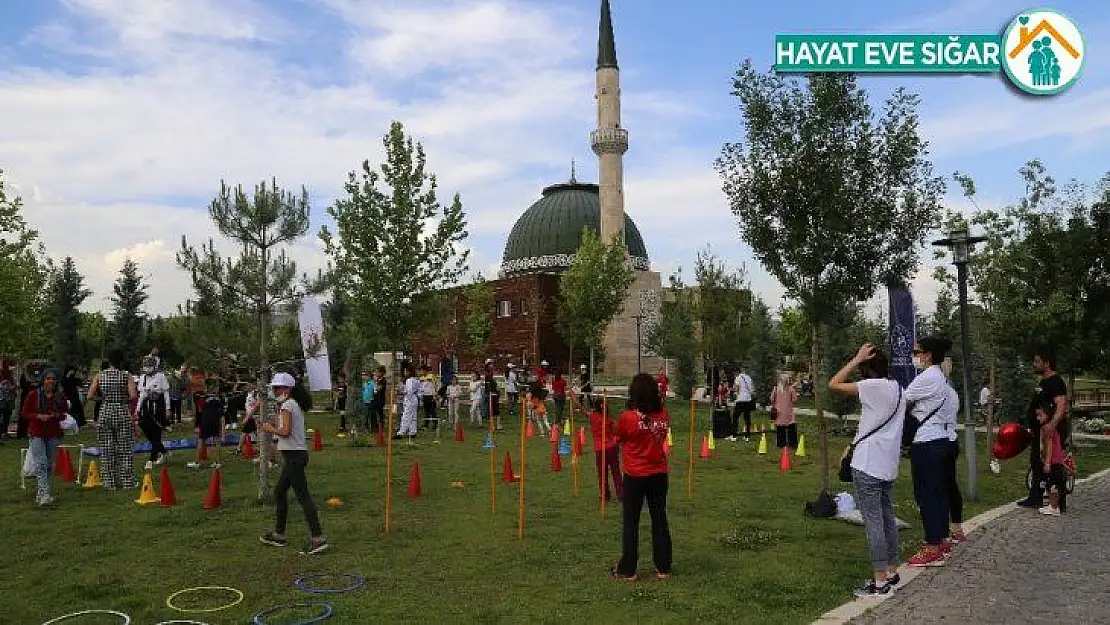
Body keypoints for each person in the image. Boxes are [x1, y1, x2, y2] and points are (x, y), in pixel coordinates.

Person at [829, 344, 906, 596]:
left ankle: (880, 580)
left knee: (873, 521)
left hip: (868, 463)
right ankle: (892, 571)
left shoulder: (872, 387)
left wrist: (855, 358)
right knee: (886, 518)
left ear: (867, 369)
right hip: (887, 465)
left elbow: (835, 384)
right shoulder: (898, 389)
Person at [611, 373, 672, 581]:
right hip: (659, 474)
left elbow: (618, 436)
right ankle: (663, 566)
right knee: (659, 519)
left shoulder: (628, 417)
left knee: (631, 522)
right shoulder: (663, 415)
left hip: (635, 475)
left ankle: (628, 569)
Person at [260, 372, 329, 555]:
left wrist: (269, 428)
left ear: (288, 389)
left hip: (294, 456)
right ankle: (279, 534)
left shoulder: (288, 405)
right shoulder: (288, 405)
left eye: (278, 388)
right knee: (280, 492)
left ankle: (318, 538)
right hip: (294, 455)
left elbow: (285, 431)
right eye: (274, 388)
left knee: (302, 496)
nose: (275, 391)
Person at [904, 337, 957, 567]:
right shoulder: (942, 380)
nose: (915, 356)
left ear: (927, 355)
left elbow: (903, 400)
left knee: (926, 495)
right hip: (942, 440)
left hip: (926, 442)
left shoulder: (927, 377)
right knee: (939, 493)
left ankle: (932, 546)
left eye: (917, 352)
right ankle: (942, 538)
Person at [1017, 348, 1068, 509]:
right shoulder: (1043, 381)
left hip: (1049, 431)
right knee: (1036, 463)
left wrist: (1052, 424)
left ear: (1046, 363)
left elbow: (1061, 405)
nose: (1034, 364)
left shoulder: (1056, 381)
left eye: (1037, 361)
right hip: (1039, 430)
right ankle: (1036, 497)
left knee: (1051, 465)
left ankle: (1057, 502)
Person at [86, 350, 138, 491]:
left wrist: (102, 399)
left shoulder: (100, 375)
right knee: (125, 448)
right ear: (121, 361)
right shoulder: (126, 375)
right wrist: (123, 399)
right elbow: (133, 395)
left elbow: (90, 396)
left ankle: (109, 482)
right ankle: (127, 482)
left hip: (105, 412)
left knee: (107, 448)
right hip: (121, 412)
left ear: (109, 361)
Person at [21, 367, 69, 505]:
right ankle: (45, 495)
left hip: (53, 433)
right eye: (48, 378)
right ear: (43, 380)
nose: (51, 381)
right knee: (41, 463)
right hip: (36, 432)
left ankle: (42, 492)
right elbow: (24, 413)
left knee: (48, 464)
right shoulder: (33, 395)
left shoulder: (60, 396)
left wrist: (56, 415)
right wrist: (38, 416)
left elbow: (65, 414)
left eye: (53, 379)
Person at [940, 359, 966, 544]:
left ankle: (941, 532)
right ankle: (956, 526)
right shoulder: (952, 392)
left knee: (939, 488)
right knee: (950, 484)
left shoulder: (937, 391)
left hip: (939, 440)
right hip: (951, 439)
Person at [136, 356, 170, 470]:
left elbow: (165, 393)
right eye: (145, 366)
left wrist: (168, 409)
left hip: (158, 405)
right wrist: (137, 409)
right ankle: (163, 452)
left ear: (154, 366)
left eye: (149, 366)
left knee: (156, 431)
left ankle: (152, 458)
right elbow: (142, 395)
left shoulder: (161, 376)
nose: (147, 368)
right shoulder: (142, 378)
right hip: (146, 406)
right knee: (147, 430)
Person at [1035, 402, 1068, 516]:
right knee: (1054, 483)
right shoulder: (1053, 427)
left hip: (1053, 461)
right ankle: (1054, 505)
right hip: (1057, 460)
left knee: (1052, 485)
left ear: (1047, 415)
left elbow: (1049, 446)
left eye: (1040, 415)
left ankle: (1054, 507)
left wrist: (1047, 462)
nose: (1038, 418)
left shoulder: (1047, 428)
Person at [588, 396, 622, 502]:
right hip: (609, 447)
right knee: (614, 472)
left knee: (604, 473)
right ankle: (619, 494)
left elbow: (581, 408)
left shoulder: (596, 416)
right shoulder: (607, 418)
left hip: (603, 448)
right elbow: (617, 431)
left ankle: (606, 495)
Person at [771, 374, 800, 451]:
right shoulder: (791, 389)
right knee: (791, 428)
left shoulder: (776, 388)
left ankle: (781, 444)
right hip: (789, 412)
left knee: (780, 428)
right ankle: (792, 444)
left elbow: (771, 398)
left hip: (779, 411)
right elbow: (794, 400)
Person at [731, 365, 754, 442]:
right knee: (747, 418)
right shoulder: (749, 378)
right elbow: (752, 389)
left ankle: (734, 435)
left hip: (740, 400)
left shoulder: (738, 378)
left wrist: (733, 391)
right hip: (748, 400)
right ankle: (747, 436)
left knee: (735, 417)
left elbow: (736, 389)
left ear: (736, 372)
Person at [395, 364, 420, 439]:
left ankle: (401, 432)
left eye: (406, 371)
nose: (405, 373)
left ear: (409, 372)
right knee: (413, 416)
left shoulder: (409, 380)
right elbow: (419, 391)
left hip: (410, 399)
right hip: (415, 399)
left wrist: (401, 392)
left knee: (406, 416)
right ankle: (413, 431)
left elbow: (408, 391)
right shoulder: (416, 380)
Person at [0, 358, 18, 440]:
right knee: (2, 415)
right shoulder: (2, 374)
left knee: (7, 415)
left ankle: (5, 432)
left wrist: (14, 387)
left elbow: (13, 384)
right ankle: (2, 433)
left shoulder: (10, 374)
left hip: (9, 398)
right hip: (2, 398)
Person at [369, 366, 387, 434]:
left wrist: (376, 381)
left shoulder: (383, 380)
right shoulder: (375, 379)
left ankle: (381, 428)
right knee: (372, 412)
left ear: (381, 373)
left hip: (380, 400)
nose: (376, 373)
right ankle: (374, 427)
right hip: (374, 398)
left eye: (377, 372)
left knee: (380, 413)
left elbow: (378, 389)